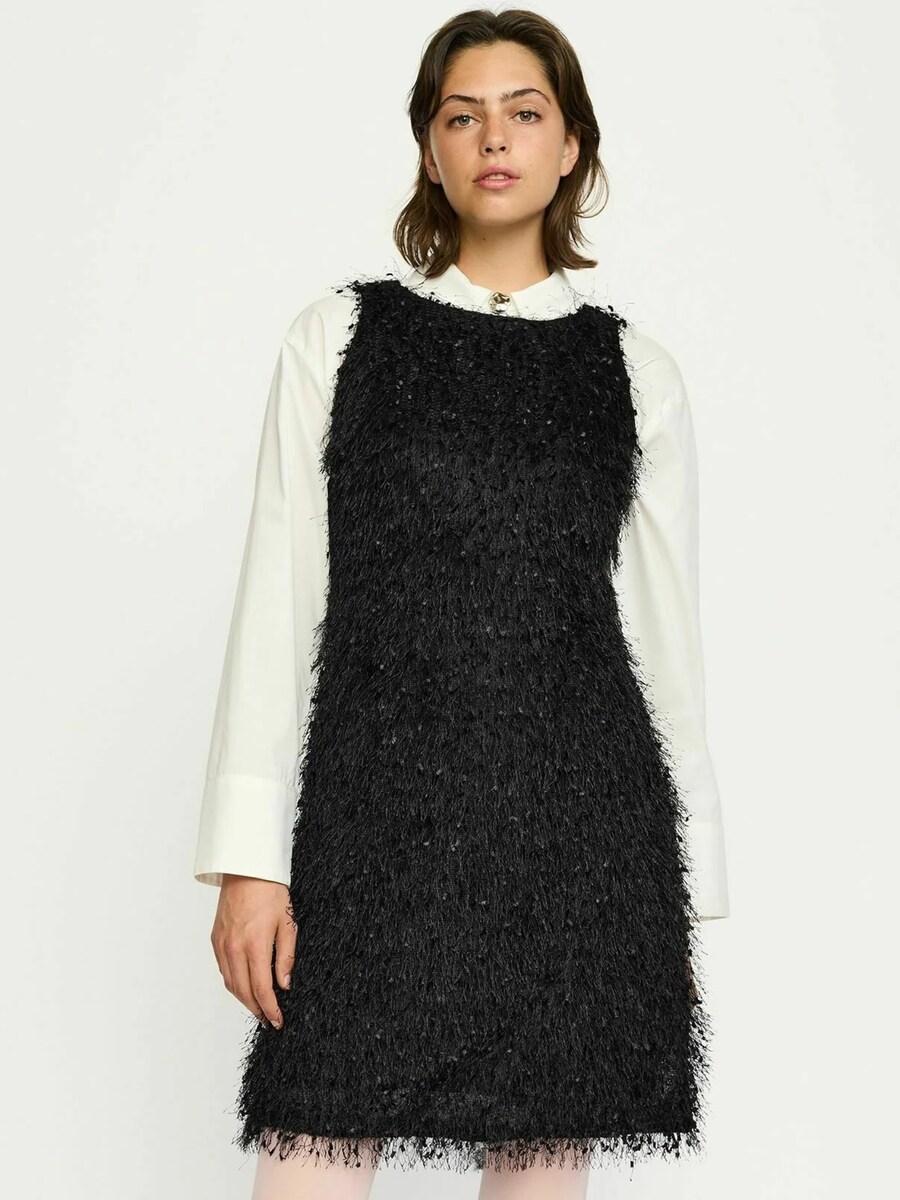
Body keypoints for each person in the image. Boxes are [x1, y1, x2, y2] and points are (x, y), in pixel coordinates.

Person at [194, 9, 730, 1199]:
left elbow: (663, 644)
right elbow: (278, 600)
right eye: (462, 114)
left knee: (543, 1163)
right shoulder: (338, 339)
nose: (495, 138)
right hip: (369, 826)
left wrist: (680, 902)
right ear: (429, 149)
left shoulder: (636, 373)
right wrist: (249, 863)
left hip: (581, 839)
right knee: (310, 1155)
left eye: (524, 113)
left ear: (571, 146)